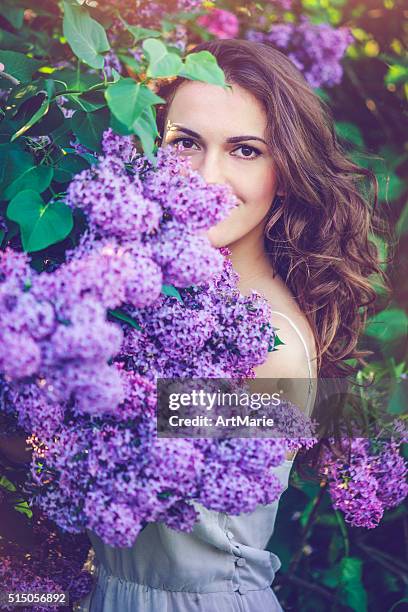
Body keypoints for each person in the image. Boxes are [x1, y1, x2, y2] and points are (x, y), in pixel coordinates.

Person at [78, 38, 384, 612]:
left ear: (286, 174)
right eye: (185, 143)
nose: (206, 176)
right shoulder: (160, 295)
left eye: (245, 150)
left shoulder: (274, 345)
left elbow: (139, 443)